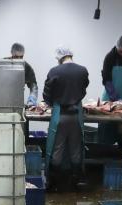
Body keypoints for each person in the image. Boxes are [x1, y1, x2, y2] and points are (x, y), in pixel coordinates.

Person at [43, 46, 90, 191]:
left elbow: (47, 94)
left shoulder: (54, 71)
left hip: (60, 116)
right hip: (76, 116)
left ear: (59, 58)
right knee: (76, 149)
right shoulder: (83, 71)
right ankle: (76, 182)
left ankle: (54, 183)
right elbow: (84, 89)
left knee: (57, 149)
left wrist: (51, 103)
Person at [8, 42, 39, 107]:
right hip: (2, 99)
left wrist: (32, 99)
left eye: (21, 57)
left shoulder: (27, 67)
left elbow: (33, 86)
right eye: (16, 57)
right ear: (12, 53)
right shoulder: (3, 64)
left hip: (17, 100)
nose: (19, 59)